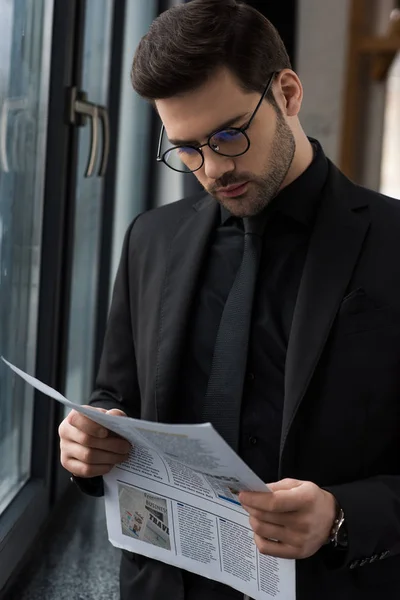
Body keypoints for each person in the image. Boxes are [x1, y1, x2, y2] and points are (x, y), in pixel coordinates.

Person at [58, 1, 400, 598]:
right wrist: (88, 441)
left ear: (287, 93)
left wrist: (342, 516)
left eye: (228, 135)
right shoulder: (151, 238)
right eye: (186, 148)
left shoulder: (394, 243)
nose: (212, 169)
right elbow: (116, 397)